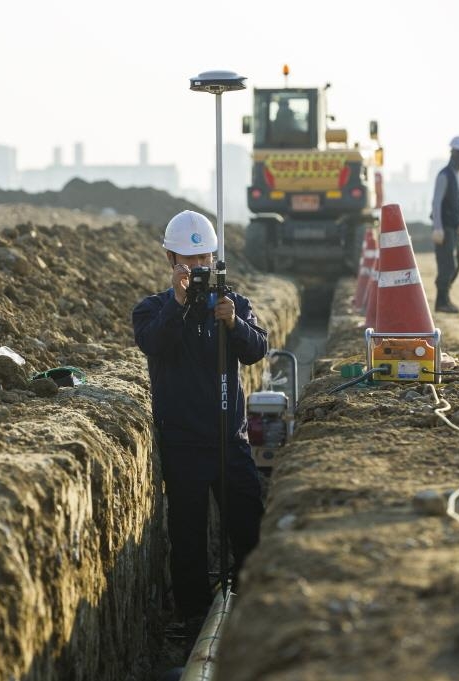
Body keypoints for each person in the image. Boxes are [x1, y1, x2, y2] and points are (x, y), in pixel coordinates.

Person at [132, 210, 268, 631]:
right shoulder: (153, 309)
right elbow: (152, 342)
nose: (196, 270)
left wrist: (234, 323)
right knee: (187, 536)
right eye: (187, 263)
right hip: (184, 445)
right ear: (170, 260)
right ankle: (192, 616)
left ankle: (258, 606)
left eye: (203, 261)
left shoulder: (233, 304)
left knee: (249, 523)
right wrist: (177, 303)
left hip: (230, 440)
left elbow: (257, 350)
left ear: (214, 258)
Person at [431, 136, 459, 313]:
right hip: (444, 228)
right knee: (447, 265)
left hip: (454, 227)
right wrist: (437, 228)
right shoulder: (444, 175)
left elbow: (458, 202)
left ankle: (445, 297)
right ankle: (442, 302)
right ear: (453, 153)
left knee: (456, 263)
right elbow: (436, 202)